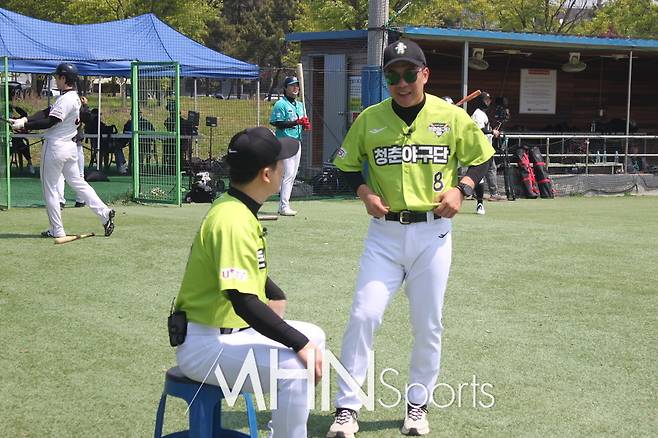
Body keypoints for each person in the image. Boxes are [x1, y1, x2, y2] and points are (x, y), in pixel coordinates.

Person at [326, 39, 494, 437]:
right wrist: (365, 192)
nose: (401, 82)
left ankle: (417, 406)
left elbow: (483, 156)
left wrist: (463, 187)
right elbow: (348, 165)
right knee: (363, 315)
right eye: (392, 75)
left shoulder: (449, 117)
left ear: (425, 74)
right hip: (383, 236)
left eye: (408, 73)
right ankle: (347, 409)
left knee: (428, 324)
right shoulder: (370, 118)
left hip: (432, 233)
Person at [174, 126, 325, 438]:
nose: (285, 165)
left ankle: (280, 429)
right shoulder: (232, 219)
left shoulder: (234, 205)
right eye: (280, 161)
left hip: (224, 335)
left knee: (316, 336)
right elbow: (242, 301)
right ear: (267, 175)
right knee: (297, 367)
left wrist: (274, 292)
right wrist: (297, 342)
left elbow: (237, 267)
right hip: (205, 346)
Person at [9, 63, 115, 238]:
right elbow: (46, 112)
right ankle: (104, 213)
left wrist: (26, 124)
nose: (56, 79)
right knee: (79, 184)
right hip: (70, 148)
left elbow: (50, 121)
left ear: (64, 78)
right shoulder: (73, 97)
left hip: (56, 147)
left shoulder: (66, 99)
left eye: (57, 77)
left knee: (50, 189)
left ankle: (57, 230)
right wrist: (25, 119)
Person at [269, 76, 311, 216]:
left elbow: (301, 124)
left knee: (292, 174)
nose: (295, 88)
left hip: (297, 141)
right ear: (286, 88)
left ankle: (283, 201)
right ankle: (284, 206)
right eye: (292, 85)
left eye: (297, 85)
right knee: (288, 174)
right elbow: (277, 122)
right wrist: (297, 122)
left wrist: (305, 125)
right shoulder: (280, 104)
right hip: (285, 141)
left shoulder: (300, 105)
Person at [470, 91, 504, 215]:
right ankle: (475, 194)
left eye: (489, 100)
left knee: (491, 169)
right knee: (481, 173)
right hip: (480, 149)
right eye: (486, 100)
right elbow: (479, 130)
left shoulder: (482, 114)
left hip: (486, 148)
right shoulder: (478, 114)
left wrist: (492, 131)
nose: (488, 102)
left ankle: (492, 193)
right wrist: (492, 132)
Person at [8, 82, 35, 175]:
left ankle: (30, 163)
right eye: (14, 94)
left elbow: (24, 115)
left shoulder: (11, 107)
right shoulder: (4, 107)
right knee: (17, 142)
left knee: (20, 142)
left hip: (13, 136)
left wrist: (15, 107)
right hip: (5, 136)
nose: (16, 96)